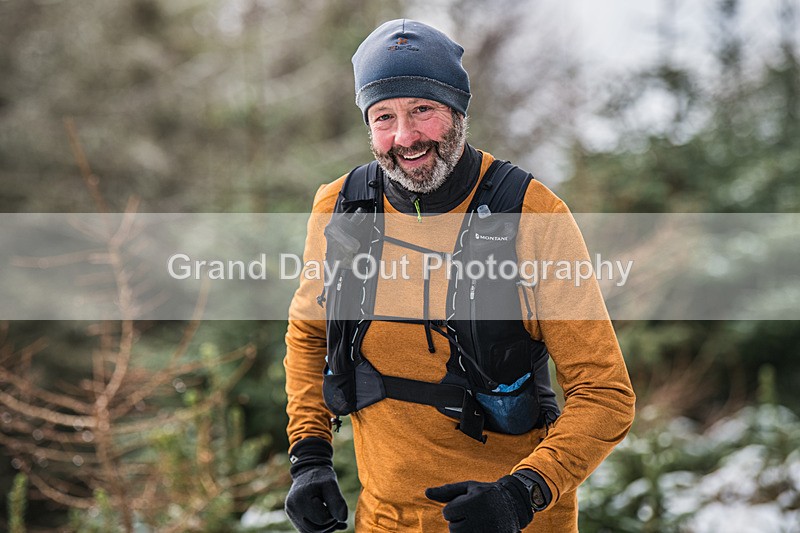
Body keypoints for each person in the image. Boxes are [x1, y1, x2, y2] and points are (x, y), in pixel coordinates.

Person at [283, 19, 636, 532]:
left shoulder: (532, 215)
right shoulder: (341, 208)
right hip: (385, 520)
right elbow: (309, 333)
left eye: (422, 110)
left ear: (457, 111)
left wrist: (523, 494)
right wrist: (309, 455)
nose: (404, 137)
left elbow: (605, 393)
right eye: (384, 117)